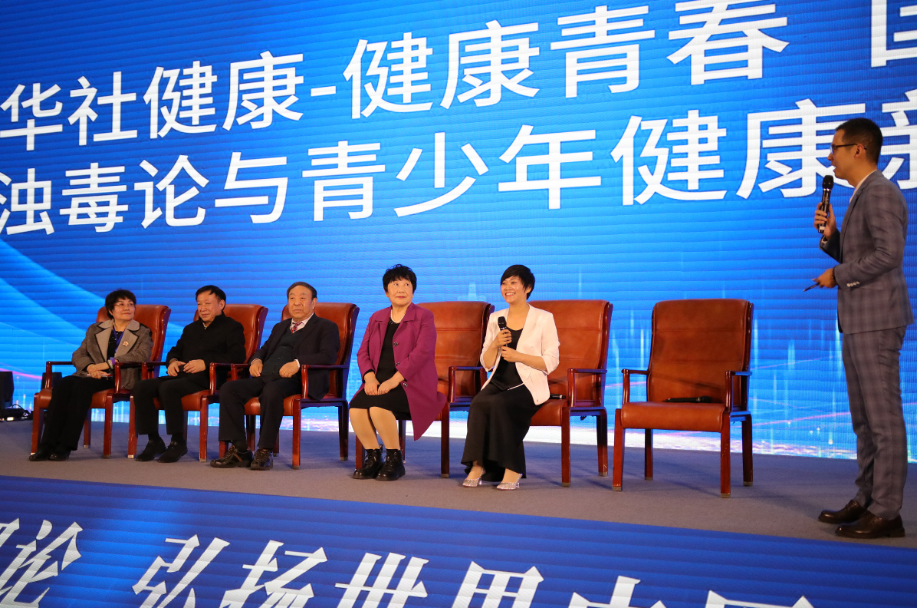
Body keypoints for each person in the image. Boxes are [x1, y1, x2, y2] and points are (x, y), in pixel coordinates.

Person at [813, 117, 913, 539]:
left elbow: (889, 255)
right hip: (857, 320)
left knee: (883, 419)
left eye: (835, 148)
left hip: (877, 320)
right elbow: (862, 253)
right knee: (864, 420)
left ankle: (887, 511)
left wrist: (838, 275)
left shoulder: (881, 192)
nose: (829, 157)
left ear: (859, 149)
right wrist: (832, 236)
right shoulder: (861, 194)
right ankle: (867, 498)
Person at [211, 282, 339, 470]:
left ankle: (265, 450)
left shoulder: (326, 327)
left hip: (298, 380)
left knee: (272, 391)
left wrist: (297, 363)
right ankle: (240, 449)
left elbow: (328, 356)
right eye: (292, 298)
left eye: (302, 298)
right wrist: (256, 360)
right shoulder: (280, 326)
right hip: (266, 376)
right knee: (229, 389)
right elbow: (264, 349)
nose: (296, 302)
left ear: (313, 302)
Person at [461, 265, 559, 490]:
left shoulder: (543, 318)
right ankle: (478, 465)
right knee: (478, 403)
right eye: (504, 283)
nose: (507, 288)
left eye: (513, 283)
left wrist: (519, 356)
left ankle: (513, 468)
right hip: (499, 379)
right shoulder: (496, 318)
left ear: (528, 287)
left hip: (527, 383)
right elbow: (486, 363)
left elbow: (551, 362)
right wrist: (495, 344)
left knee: (500, 404)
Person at [30, 289, 153, 461]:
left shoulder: (142, 331)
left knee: (82, 387)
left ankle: (65, 445)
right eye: (121, 304)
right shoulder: (95, 329)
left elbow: (141, 355)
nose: (127, 308)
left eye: (131, 304)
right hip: (91, 374)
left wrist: (108, 364)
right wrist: (90, 367)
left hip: (118, 377)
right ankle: (47, 445)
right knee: (63, 384)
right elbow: (79, 354)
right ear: (111, 310)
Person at [132, 285, 246, 463]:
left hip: (208, 378)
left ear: (221, 304)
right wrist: (172, 361)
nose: (202, 308)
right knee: (141, 387)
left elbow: (237, 355)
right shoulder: (190, 328)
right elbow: (175, 350)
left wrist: (205, 363)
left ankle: (177, 442)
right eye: (199, 304)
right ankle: (154, 440)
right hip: (182, 375)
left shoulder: (232, 327)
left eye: (207, 303)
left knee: (169, 388)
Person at [350, 264, 444, 481]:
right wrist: (369, 377)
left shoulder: (424, 316)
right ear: (386, 291)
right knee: (356, 409)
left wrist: (394, 380)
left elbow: (423, 352)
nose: (401, 289)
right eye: (395, 284)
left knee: (378, 407)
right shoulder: (377, 317)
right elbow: (363, 352)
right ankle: (374, 458)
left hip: (410, 383)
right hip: (377, 381)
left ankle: (395, 460)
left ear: (413, 290)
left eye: (406, 285)